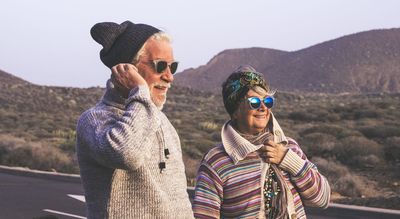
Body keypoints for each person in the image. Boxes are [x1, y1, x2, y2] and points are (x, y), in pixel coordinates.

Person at [76, 21, 194, 219]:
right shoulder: (94, 120)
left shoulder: (161, 119)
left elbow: (179, 196)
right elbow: (127, 155)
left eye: (172, 66)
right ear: (128, 69)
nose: (169, 76)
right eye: (160, 66)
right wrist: (139, 91)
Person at [193, 66, 331, 219]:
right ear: (235, 110)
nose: (263, 107)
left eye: (268, 101)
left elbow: (322, 199)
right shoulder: (216, 162)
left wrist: (289, 160)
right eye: (254, 102)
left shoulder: (288, 147)